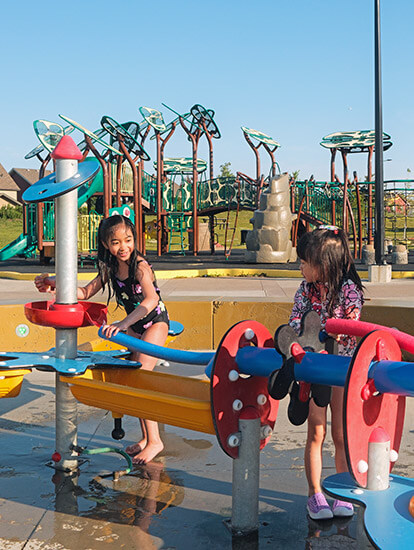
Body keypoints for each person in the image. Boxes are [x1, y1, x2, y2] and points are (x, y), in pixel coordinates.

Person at [35, 214, 169, 465]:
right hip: (134, 325)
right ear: (106, 244)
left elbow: (150, 300)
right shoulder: (109, 267)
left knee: (141, 380)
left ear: (134, 239)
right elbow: (85, 292)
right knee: (132, 380)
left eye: (128, 240)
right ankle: (145, 438)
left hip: (154, 322)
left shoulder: (140, 266)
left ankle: (155, 442)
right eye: (116, 242)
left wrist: (123, 324)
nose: (123, 247)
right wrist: (55, 284)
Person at [289, 225, 364, 521]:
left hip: (342, 370)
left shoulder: (349, 290)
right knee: (316, 431)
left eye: (305, 262)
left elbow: (351, 329)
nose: (301, 267)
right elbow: (296, 321)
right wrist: (303, 336)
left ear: (323, 265)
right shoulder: (305, 290)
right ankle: (315, 493)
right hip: (314, 368)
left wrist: (324, 330)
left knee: (342, 434)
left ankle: (343, 490)